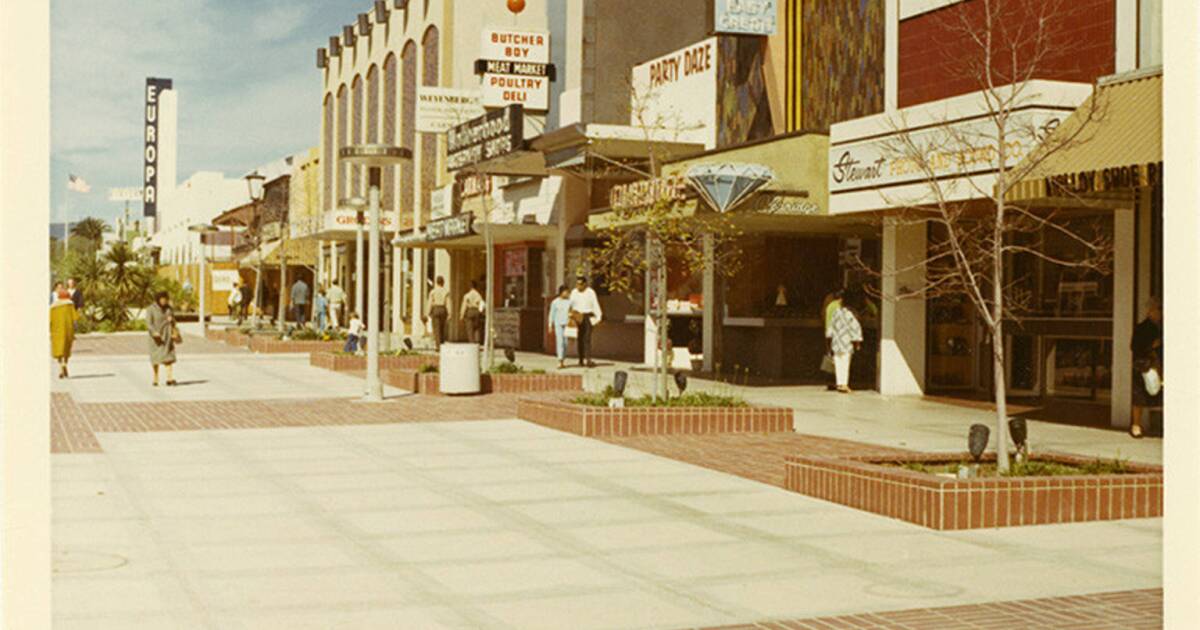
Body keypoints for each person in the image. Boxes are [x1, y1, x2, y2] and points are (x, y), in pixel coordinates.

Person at [1129, 296, 1162, 439]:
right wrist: (1151, 345)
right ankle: (1136, 425)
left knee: (1159, 394)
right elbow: (1134, 347)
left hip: (1159, 365)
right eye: (1158, 309)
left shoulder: (1162, 327)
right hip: (1145, 365)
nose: (1160, 313)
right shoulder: (1142, 327)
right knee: (1139, 396)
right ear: (1150, 311)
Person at [826, 291, 863, 393]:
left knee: (838, 362)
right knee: (845, 363)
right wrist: (857, 341)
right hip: (846, 341)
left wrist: (829, 338)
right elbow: (855, 328)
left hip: (836, 341)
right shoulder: (850, 314)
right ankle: (844, 384)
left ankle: (839, 383)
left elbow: (830, 328)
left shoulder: (836, 313)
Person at [145, 291, 179, 387]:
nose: (164, 301)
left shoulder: (169, 309)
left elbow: (174, 321)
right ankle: (155, 377)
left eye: (166, 299)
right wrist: (154, 332)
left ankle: (169, 378)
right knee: (156, 358)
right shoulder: (151, 309)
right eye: (162, 299)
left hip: (167, 336)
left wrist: (171, 320)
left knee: (168, 357)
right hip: (156, 337)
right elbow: (148, 323)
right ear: (158, 299)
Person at [569, 276, 603, 367]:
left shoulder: (590, 292)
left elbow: (595, 304)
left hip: (587, 316)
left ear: (585, 284)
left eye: (580, 284)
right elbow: (570, 304)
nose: (578, 286)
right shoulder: (574, 292)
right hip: (577, 316)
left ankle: (588, 359)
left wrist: (599, 316)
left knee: (587, 338)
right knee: (580, 338)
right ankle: (580, 360)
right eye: (577, 284)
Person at [50, 287, 78, 379]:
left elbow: (49, 320)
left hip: (56, 331)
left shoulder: (53, 307)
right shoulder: (70, 305)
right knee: (66, 348)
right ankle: (65, 363)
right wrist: (75, 328)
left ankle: (60, 366)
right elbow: (75, 319)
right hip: (68, 330)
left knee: (58, 348)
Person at [821, 289, 844, 391]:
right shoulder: (838, 307)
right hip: (835, 334)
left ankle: (830, 381)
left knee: (830, 356)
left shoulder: (829, 305)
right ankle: (835, 381)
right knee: (837, 358)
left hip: (828, 333)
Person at [547, 284, 572, 369]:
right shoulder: (555, 302)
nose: (567, 293)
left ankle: (563, 359)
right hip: (558, 324)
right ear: (561, 292)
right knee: (560, 342)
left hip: (567, 324)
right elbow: (551, 314)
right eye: (566, 292)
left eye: (568, 292)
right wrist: (550, 325)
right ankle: (560, 360)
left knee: (565, 343)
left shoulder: (569, 302)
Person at [424, 276, 451, 348]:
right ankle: (442, 343)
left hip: (435, 309)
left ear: (436, 282)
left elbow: (430, 302)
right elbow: (448, 303)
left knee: (436, 328)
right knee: (442, 327)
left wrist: (428, 312)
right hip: (443, 309)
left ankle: (438, 345)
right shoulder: (446, 292)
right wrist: (450, 313)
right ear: (443, 282)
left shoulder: (433, 292)